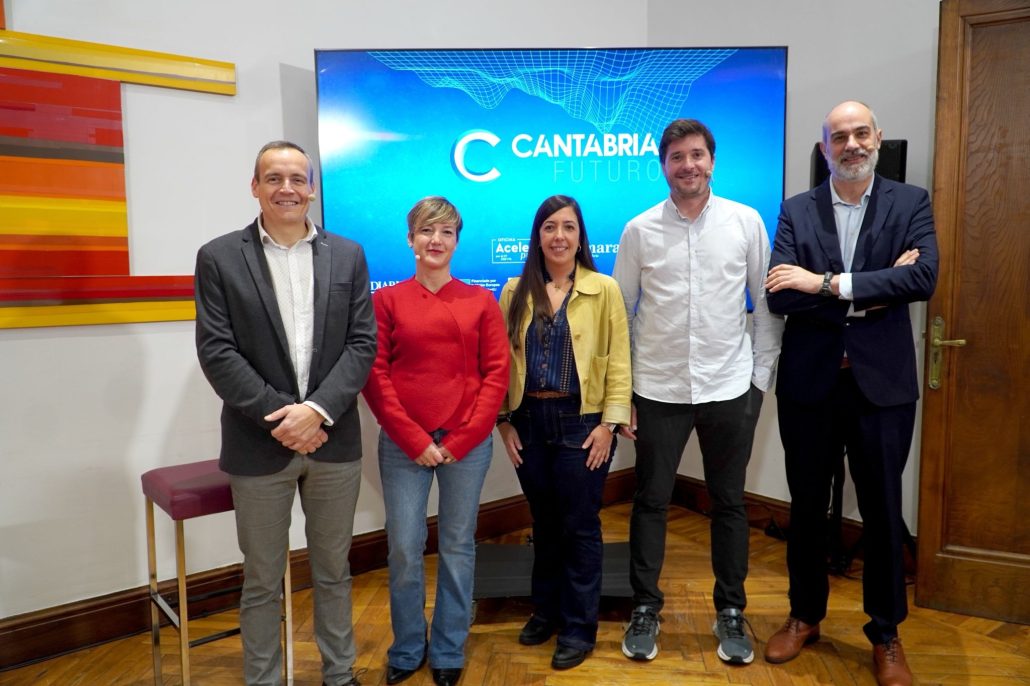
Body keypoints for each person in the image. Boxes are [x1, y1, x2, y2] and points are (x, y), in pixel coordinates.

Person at [763, 100, 937, 686]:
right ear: (824, 148)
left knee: (883, 511)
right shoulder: (796, 210)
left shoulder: (910, 203)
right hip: (810, 385)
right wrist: (876, 289)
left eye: (861, 133)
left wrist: (825, 283)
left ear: (878, 139)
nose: (851, 145)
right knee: (806, 506)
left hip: (881, 387)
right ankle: (804, 615)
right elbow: (779, 295)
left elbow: (922, 277)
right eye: (839, 137)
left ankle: (886, 633)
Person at [194, 140, 376, 686]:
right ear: (255, 187)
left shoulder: (348, 255)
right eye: (274, 178)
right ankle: (264, 679)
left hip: (333, 441)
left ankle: (340, 674)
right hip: (258, 444)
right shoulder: (219, 257)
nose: (287, 188)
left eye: (297, 178)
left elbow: (362, 344)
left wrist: (317, 411)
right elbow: (217, 352)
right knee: (261, 579)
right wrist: (286, 417)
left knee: (334, 570)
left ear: (312, 190)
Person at [612, 119, 784, 665]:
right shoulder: (639, 230)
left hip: (729, 387)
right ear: (663, 165)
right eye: (677, 157)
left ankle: (731, 610)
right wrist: (627, 391)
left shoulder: (745, 221)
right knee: (651, 502)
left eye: (697, 155)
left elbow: (765, 303)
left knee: (729, 503)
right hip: (657, 388)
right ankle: (645, 607)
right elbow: (621, 313)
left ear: (712, 160)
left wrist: (758, 381)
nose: (688, 165)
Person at [361, 197, 508, 686]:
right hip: (405, 444)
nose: (436, 240)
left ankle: (448, 648)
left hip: (466, 444)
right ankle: (407, 647)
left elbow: (496, 375)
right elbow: (375, 375)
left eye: (446, 232)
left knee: (458, 545)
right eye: (427, 231)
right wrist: (412, 439)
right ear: (410, 239)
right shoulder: (386, 302)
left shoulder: (480, 302)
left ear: (457, 242)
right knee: (404, 547)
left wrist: (462, 440)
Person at [496, 195, 631, 671]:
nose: (559, 236)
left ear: (580, 236)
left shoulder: (604, 289)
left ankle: (577, 628)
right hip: (529, 423)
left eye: (568, 227)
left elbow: (619, 362)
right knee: (544, 523)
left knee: (580, 526)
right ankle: (546, 611)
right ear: (538, 236)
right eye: (550, 227)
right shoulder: (514, 291)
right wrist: (503, 421)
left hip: (582, 424)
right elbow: (500, 362)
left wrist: (609, 425)